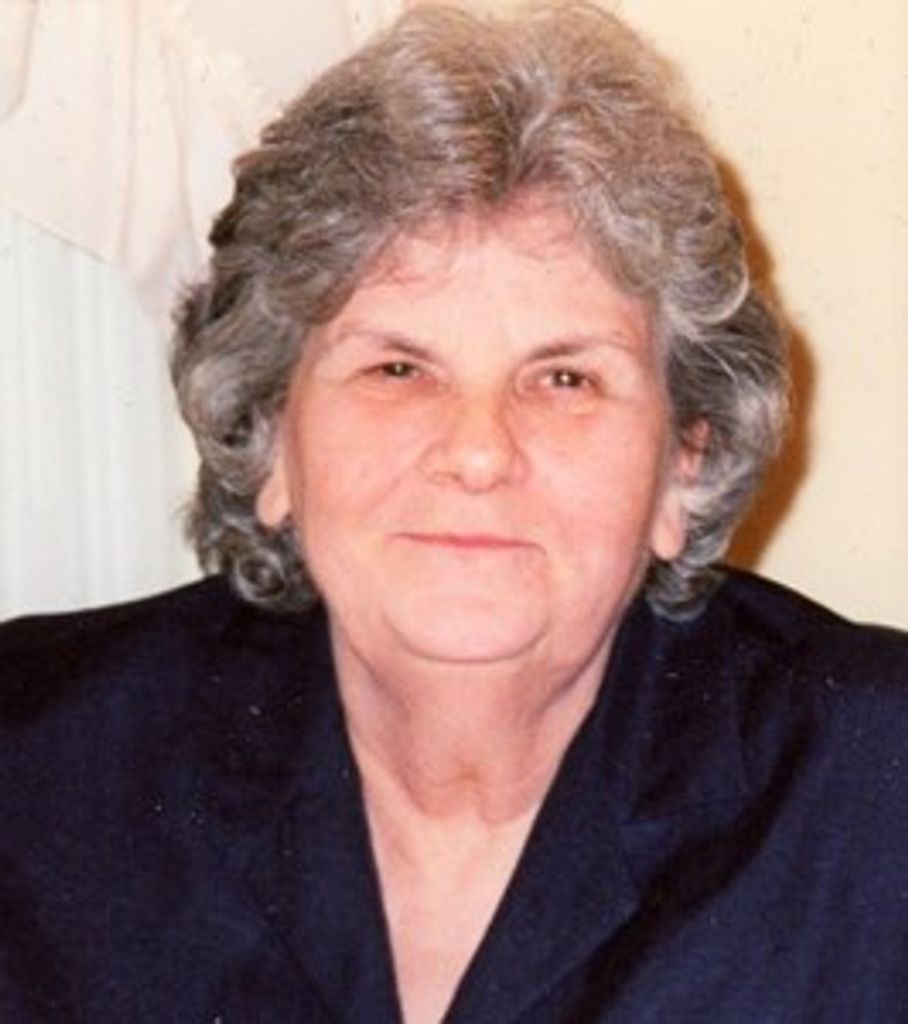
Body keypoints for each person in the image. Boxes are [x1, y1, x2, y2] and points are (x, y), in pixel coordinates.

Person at [1, 4, 907, 1021]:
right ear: (270, 437)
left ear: (682, 465)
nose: (477, 452)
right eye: (398, 368)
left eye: (564, 378)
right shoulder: (31, 770)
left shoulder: (879, 797)